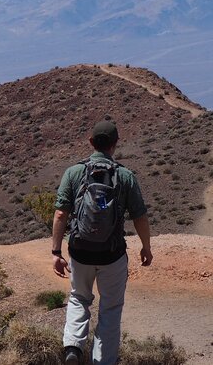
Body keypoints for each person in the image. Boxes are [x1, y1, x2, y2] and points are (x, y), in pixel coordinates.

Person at [51, 120, 152, 365]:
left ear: (91, 142)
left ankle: (73, 347)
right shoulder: (125, 175)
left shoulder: (74, 172)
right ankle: (103, 361)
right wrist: (146, 247)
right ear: (115, 144)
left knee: (78, 298)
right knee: (110, 308)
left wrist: (56, 251)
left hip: (80, 252)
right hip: (112, 255)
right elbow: (140, 216)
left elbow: (60, 214)